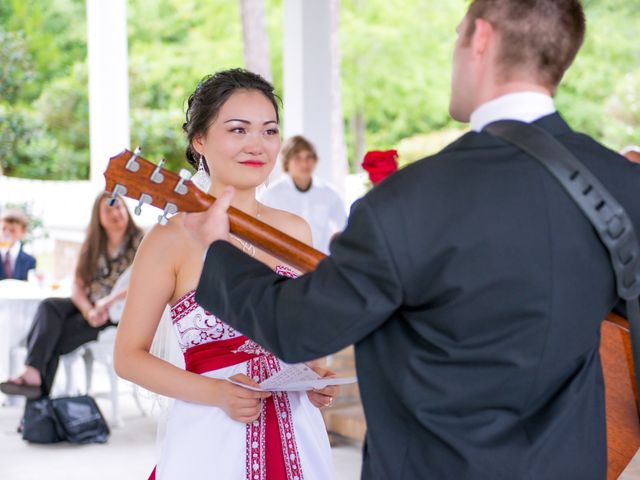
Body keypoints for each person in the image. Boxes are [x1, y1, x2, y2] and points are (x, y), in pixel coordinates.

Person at [183, 1, 640, 479]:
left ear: (480, 39)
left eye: (457, 36)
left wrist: (218, 249)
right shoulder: (622, 187)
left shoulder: (406, 202)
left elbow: (299, 329)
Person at [113, 69, 337, 480]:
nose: (258, 145)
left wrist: (317, 376)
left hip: (300, 436)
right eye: (239, 129)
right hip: (211, 439)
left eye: (269, 131)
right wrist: (215, 393)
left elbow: (310, 338)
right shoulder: (169, 240)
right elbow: (128, 357)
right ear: (199, 141)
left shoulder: (295, 231)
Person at [0, 192, 142, 399]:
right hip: (90, 307)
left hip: (117, 312)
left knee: (51, 338)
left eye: (118, 207)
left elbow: (145, 282)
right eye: (108, 209)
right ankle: (36, 392)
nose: (115, 213)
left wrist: (106, 303)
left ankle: (36, 405)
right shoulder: (92, 244)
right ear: (98, 216)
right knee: (50, 306)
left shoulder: (142, 242)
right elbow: (77, 284)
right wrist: (88, 310)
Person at [259, 135, 347, 253]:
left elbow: (345, 226)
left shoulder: (329, 194)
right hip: (283, 262)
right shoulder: (271, 194)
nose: (304, 163)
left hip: (321, 262)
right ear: (286, 162)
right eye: (297, 158)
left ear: (315, 160)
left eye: (308, 157)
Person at [0, 209, 36, 281]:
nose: (6, 234)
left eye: (12, 230)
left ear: (23, 232)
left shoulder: (30, 261)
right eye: (3, 229)